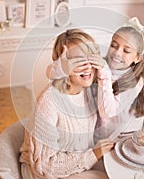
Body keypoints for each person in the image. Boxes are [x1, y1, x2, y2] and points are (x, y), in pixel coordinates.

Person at [20, 29, 114, 179]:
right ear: (61, 66)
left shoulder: (89, 90)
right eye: (77, 60)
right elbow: (44, 166)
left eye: (91, 57)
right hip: (45, 173)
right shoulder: (49, 102)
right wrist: (94, 154)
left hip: (77, 161)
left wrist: (105, 76)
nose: (87, 66)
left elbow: (110, 112)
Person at [46, 18, 144, 141]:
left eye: (126, 50)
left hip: (115, 136)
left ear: (137, 58)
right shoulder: (102, 64)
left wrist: (105, 74)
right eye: (114, 45)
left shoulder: (136, 82)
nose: (117, 53)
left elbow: (108, 112)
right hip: (92, 130)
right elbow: (50, 74)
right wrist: (63, 68)